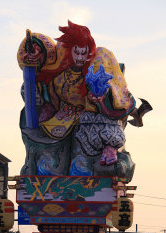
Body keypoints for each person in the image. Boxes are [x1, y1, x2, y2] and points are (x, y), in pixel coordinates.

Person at [17, 21, 147, 177]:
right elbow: (40, 47)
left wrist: (99, 97)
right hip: (63, 115)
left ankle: (108, 150)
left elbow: (113, 97)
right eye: (76, 52)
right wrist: (34, 51)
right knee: (48, 163)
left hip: (91, 116)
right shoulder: (58, 59)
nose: (79, 57)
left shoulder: (100, 59)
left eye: (83, 52)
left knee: (81, 166)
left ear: (89, 51)